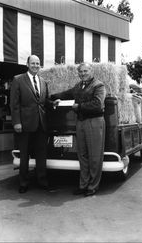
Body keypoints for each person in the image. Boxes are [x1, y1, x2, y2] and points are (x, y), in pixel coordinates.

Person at [52, 62, 106, 196]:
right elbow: (65, 94)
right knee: (82, 155)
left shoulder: (99, 85)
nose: (83, 74)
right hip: (81, 122)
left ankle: (93, 186)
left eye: (85, 71)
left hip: (94, 121)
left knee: (94, 156)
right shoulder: (78, 86)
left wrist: (80, 107)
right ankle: (83, 185)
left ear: (91, 71)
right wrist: (51, 97)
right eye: (80, 71)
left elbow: (98, 104)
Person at [10, 55, 51, 193]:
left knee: (41, 154)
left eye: (38, 63)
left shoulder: (43, 81)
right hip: (24, 124)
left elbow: (45, 101)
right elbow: (14, 104)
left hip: (41, 124)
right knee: (24, 155)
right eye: (33, 63)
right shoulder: (18, 79)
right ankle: (23, 182)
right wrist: (16, 122)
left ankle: (42, 180)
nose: (35, 65)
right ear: (27, 64)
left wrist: (53, 103)